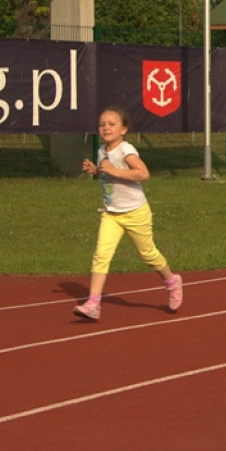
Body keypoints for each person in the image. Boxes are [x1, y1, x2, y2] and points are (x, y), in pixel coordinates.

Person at [73, 106, 182, 321]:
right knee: (101, 255)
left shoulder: (126, 150)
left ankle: (171, 281)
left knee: (148, 255)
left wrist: (115, 171)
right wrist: (95, 170)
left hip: (135, 212)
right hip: (112, 214)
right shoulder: (102, 151)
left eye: (111, 124)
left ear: (123, 129)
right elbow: (107, 172)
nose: (106, 128)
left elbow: (143, 173)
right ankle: (94, 303)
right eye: (102, 124)